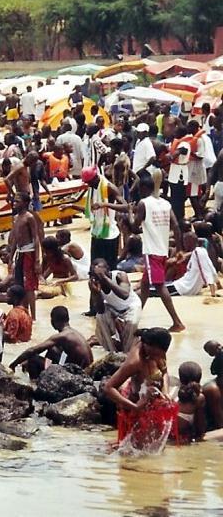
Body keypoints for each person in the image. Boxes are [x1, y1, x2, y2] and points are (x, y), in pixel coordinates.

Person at [104, 328, 177, 455]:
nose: (158, 357)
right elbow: (108, 388)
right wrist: (135, 407)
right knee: (133, 452)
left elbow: (164, 371)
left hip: (151, 401)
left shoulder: (158, 349)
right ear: (148, 346)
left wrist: (165, 391)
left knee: (151, 447)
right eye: (155, 354)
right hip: (134, 404)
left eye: (161, 354)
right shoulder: (135, 362)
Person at [134, 175, 185, 332]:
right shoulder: (165, 203)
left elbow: (134, 228)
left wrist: (130, 213)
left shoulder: (143, 204)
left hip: (151, 252)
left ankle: (177, 322)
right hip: (162, 251)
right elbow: (176, 226)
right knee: (144, 286)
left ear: (143, 188)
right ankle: (133, 320)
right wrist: (179, 248)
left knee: (159, 285)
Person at [9, 306, 93, 381]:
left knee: (32, 359)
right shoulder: (74, 333)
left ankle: (35, 387)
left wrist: (13, 364)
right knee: (52, 349)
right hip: (86, 373)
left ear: (53, 321)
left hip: (78, 375)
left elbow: (32, 350)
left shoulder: (62, 336)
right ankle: (45, 376)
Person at [7, 192, 41, 319]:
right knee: (18, 284)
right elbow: (15, 239)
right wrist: (11, 257)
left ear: (25, 203)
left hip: (29, 253)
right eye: (14, 201)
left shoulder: (29, 217)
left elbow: (35, 237)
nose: (14, 203)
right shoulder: (16, 218)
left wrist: (37, 260)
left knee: (30, 286)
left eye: (17, 201)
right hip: (19, 253)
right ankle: (22, 312)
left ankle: (33, 316)